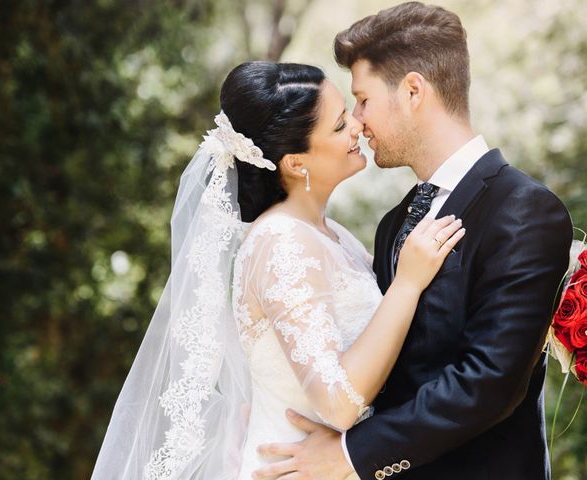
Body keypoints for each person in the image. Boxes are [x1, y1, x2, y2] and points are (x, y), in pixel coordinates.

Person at [91, 60, 464, 480]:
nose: (358, 127)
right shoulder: (281, 242)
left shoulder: (332, 235)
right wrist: (408, 284)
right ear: (295, 162)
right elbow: (339, 403)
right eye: (339, 125)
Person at [252, 3, 573, 480]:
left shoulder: (523, 209)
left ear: (413, 91)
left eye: (362, 99)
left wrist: (349, 454)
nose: (357, 121)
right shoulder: (392, 224)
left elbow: (488, 383)